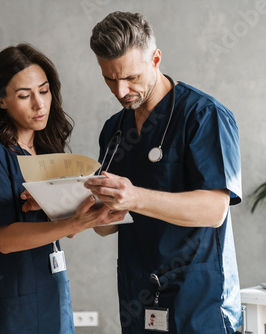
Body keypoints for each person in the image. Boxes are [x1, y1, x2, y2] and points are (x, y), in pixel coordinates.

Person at [85, 12, 243, 333]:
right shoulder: (115, 131)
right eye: (109, 78)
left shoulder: (203, 117)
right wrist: (79, 208)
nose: (120, 90)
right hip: (138, 292)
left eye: (131, 77)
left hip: (199, 297)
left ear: (155, 59)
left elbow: (215, 210)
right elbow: (106, 227)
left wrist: (135, 197)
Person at [0, 43, 126, 334]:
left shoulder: (46, 152)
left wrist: (89, 209)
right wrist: (74, 221)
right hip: (9, 309)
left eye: (44, 91)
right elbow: (5, 240)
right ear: (0, 100)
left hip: (52, 295)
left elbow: (68, 228)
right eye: (24, 95)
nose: (39, 104)